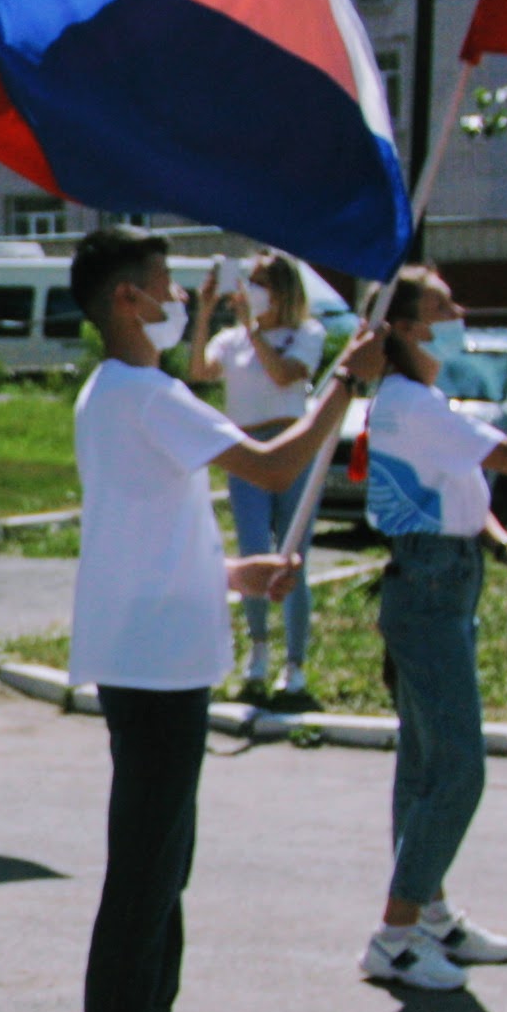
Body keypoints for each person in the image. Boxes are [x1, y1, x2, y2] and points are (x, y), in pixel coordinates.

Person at [65, 226, 380, 1012]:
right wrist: (344, 383)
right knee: (145, 859)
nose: (178, 299)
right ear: (127, 300)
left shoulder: (122, 393)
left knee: (168, 855)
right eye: (165, 285)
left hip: (161, 646)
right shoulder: (144, 392)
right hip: (154, 660)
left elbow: (147, 530)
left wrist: (233, 575)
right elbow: (275, 462)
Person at [350, 268, 507, 991]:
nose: (460, 312)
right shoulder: (410, 403)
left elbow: (462, 492)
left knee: (425, 766)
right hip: (428, 587)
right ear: (407, 329)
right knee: (458, 768)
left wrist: (504, 545)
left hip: (441, 578)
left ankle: (428, 913)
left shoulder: (423, 402)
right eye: (443, 306)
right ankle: (394, 935)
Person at [189, 254, 322, 705]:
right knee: (253, 551)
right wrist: (206, 311)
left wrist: (253, 330)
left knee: (292, 557)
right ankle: (259, 648)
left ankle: (295, 663)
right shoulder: (231, 341)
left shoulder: (305, 333)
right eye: (251, 281)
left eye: (262, 282)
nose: (253, 290)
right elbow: (199, 370)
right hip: (245, 452)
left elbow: (284, 375)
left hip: (292, 448)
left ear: (283, 290)